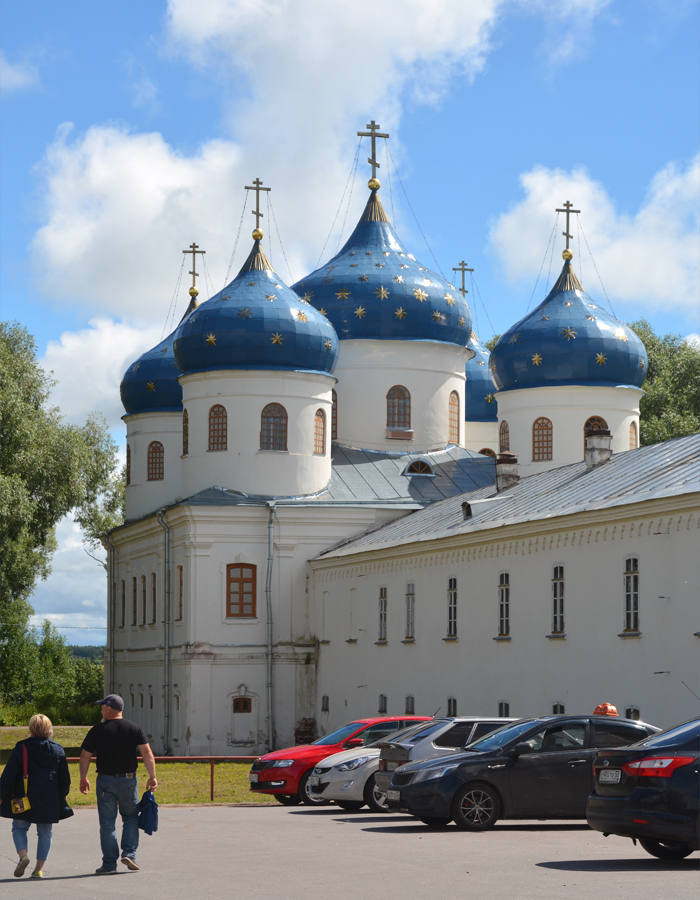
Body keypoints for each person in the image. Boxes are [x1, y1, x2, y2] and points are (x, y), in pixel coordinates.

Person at [79, 694, 157, 875]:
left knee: (107, 823)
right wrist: (152, 776)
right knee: (130, 817)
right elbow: (147, 753)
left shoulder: (97, 730)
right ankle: (129, 854)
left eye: (102, 708)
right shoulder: (134, 728)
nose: (101, 711)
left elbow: (84, 756)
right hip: (128, 780)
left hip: (105, 781)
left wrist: (83, 779)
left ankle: (109, 864)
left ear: (109, 709)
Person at [0, 714, 73, 878]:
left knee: (19, 828)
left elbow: (8, 776)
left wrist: (1, 794)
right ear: (49, 728)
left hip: (24, 797)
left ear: (31, 728)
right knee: (45, 832)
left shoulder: (22, 748)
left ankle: (23, 856)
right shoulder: (57, 749)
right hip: (49, 798)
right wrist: (63, 795)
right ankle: (39, 869)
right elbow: (65, 778)